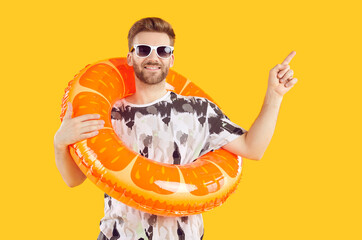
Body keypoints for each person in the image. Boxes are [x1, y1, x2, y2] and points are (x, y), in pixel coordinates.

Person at [54, 17, 297, 240]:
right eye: (143, 49)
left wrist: (273, 97)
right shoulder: (108, 115)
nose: (153, 57)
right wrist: (60, 144)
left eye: (162, 50)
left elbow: (252, 148)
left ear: (171, 58)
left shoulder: (198, 111)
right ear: (130, 57)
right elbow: (74, 180)